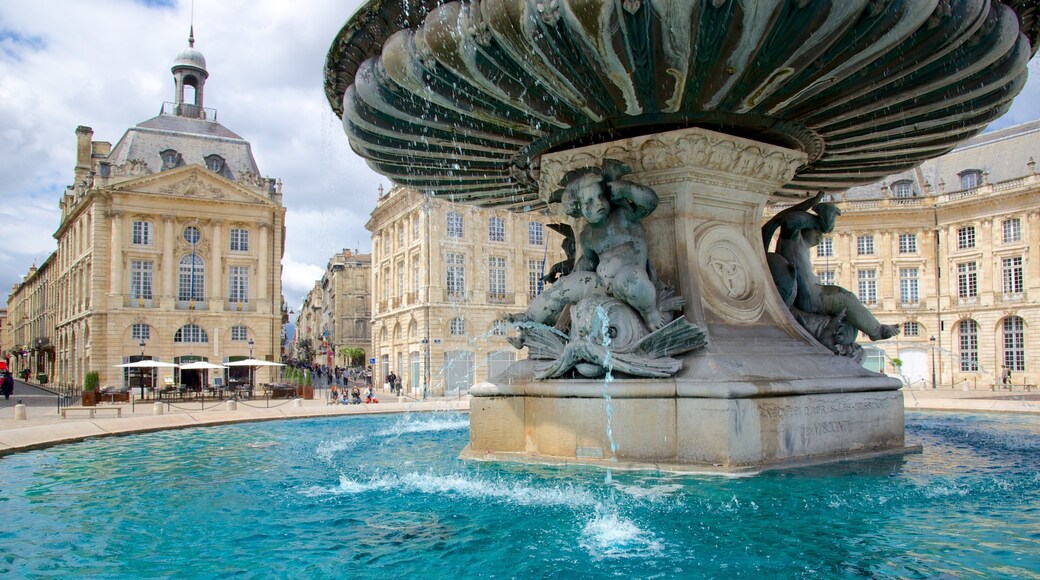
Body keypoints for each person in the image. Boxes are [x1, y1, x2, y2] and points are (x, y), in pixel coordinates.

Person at [513, 160, 667, 330]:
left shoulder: (623, 215)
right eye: (590, 201)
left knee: (633, 281)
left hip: (627, 278)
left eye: (601, 196)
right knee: (562, 287)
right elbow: (588, 263)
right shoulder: (586, 236)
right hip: (602, 284)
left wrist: (624, 188)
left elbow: (651, 201)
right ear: (577, 209)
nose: (599, 203)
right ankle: (529, 320)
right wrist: (570, 278)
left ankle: (650, 313)